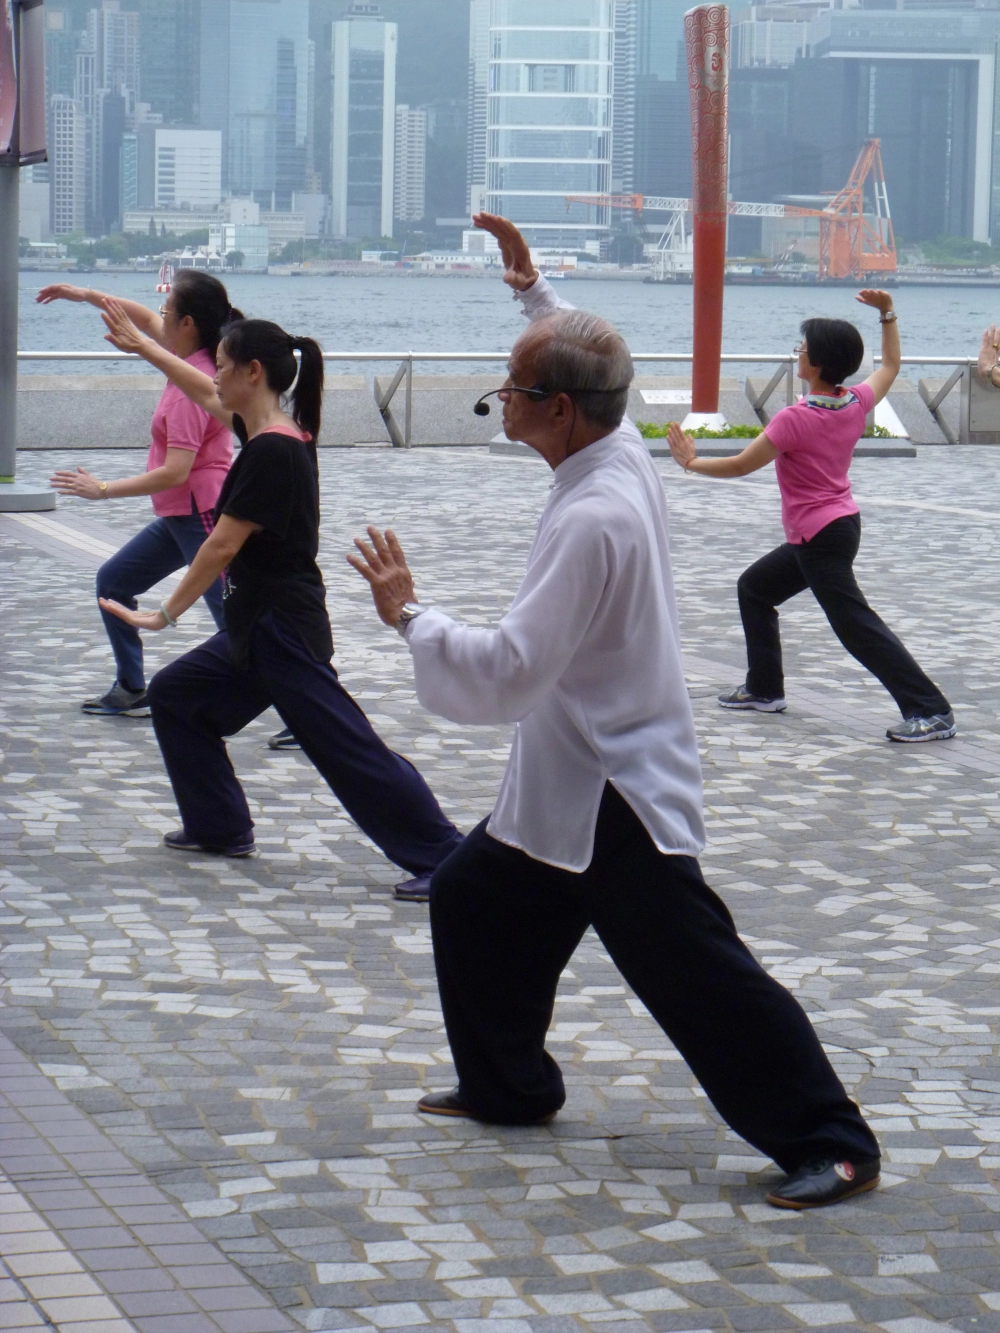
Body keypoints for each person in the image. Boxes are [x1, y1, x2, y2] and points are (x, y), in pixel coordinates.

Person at [347, 212, 882, 1210]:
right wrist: (531, 292)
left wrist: (408, 613)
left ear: (555, 411)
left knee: (693, 969)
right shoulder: (614, 444)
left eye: (511, 389)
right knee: (469, 897)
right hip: (567, 773)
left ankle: (832, 1136)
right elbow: (591, 363)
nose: (499, 401)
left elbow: (509, 669)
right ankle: (511, 1085)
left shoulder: (594, 513)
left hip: (614, 783)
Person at [98, 304, 463, 901]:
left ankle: (447, 858)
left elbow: (219, 547)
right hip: (257, 631)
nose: (211, 375)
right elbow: (202, 393)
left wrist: (161, 615)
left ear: (253, 372)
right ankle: (219, 827)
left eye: (221, 365)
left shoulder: (274, 450)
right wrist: (145, 348)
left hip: (282, 634)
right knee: (178, 697)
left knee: (348, 750)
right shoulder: (269, 433)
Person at [667, 294, 954, 744]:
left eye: (802, 347)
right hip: (834, 530)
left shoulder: (794, 419)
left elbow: (742, 465)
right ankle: (764, 689)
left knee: (856, 627)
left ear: (817, 363)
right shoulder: (855, 402)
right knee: (755, 588)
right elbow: (892, 365)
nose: (798, 352)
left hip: (820, 537)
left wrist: (690, 462)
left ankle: (931, 711)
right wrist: (887, 314)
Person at [38, 274, 239, 718]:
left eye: (169, 312)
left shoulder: (196, 383)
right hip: (179, 517)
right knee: (114, 582)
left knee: (237, 621)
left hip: (201, 515)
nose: (159, 317)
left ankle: (303, 711)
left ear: (187, 323)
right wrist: (85, 295)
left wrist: (102, 490)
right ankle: (131, 687)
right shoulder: (182, 356)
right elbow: (145, 319)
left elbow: (176, 471)